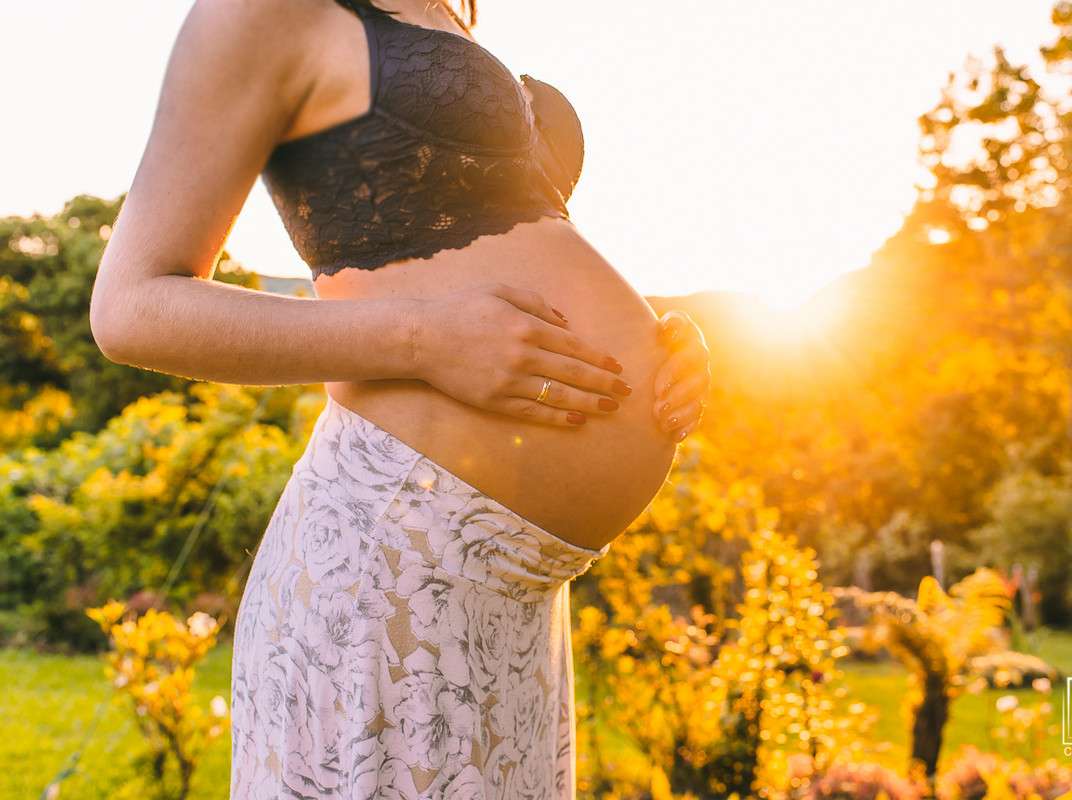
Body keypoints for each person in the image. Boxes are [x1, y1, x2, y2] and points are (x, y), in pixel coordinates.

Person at [90, 0, 712, 797]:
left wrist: (658, 344)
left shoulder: (449, 14)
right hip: (395, 562)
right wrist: (424, 339)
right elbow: (130, 307)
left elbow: (505, 252)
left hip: (519, 597)